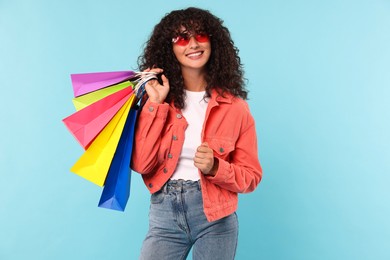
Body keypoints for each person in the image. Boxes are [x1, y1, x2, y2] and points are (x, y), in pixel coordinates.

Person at [131, 7, 262, 260]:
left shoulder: (235, 108)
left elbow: (251, 177)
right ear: (170, 48)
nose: (192, 44)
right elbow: (141, 163)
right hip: (164, 213)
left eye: (200, 35)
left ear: (213, 41)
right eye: (181, 38)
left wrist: (216, 168)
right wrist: (155, 105)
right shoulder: (158, 101)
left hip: (216, 217)